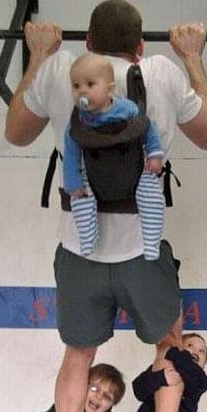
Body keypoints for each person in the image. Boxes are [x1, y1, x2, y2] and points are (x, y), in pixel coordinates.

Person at [5, 0, 207, 412]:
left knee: (78, 356)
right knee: (169, 342)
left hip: (78, 249)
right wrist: (194, 58)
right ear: (141, 47)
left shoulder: (64, 71)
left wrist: (40, 55)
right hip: (143, 251)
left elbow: (16, 132)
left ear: (88, 43)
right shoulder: (162, 73)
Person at [64, 52, 165, 260]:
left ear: (109, 88)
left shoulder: (127, 109)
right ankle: (88, 239)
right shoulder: (79, 121)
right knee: (80, 199)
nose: (81, 91)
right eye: (76, 86)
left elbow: (147, 128)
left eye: (90, 84)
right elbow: (71, 151)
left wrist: (154, 155)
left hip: (133, 174)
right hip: (94, 175)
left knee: (153, 194)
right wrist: (72, 181)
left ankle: (152, 242)